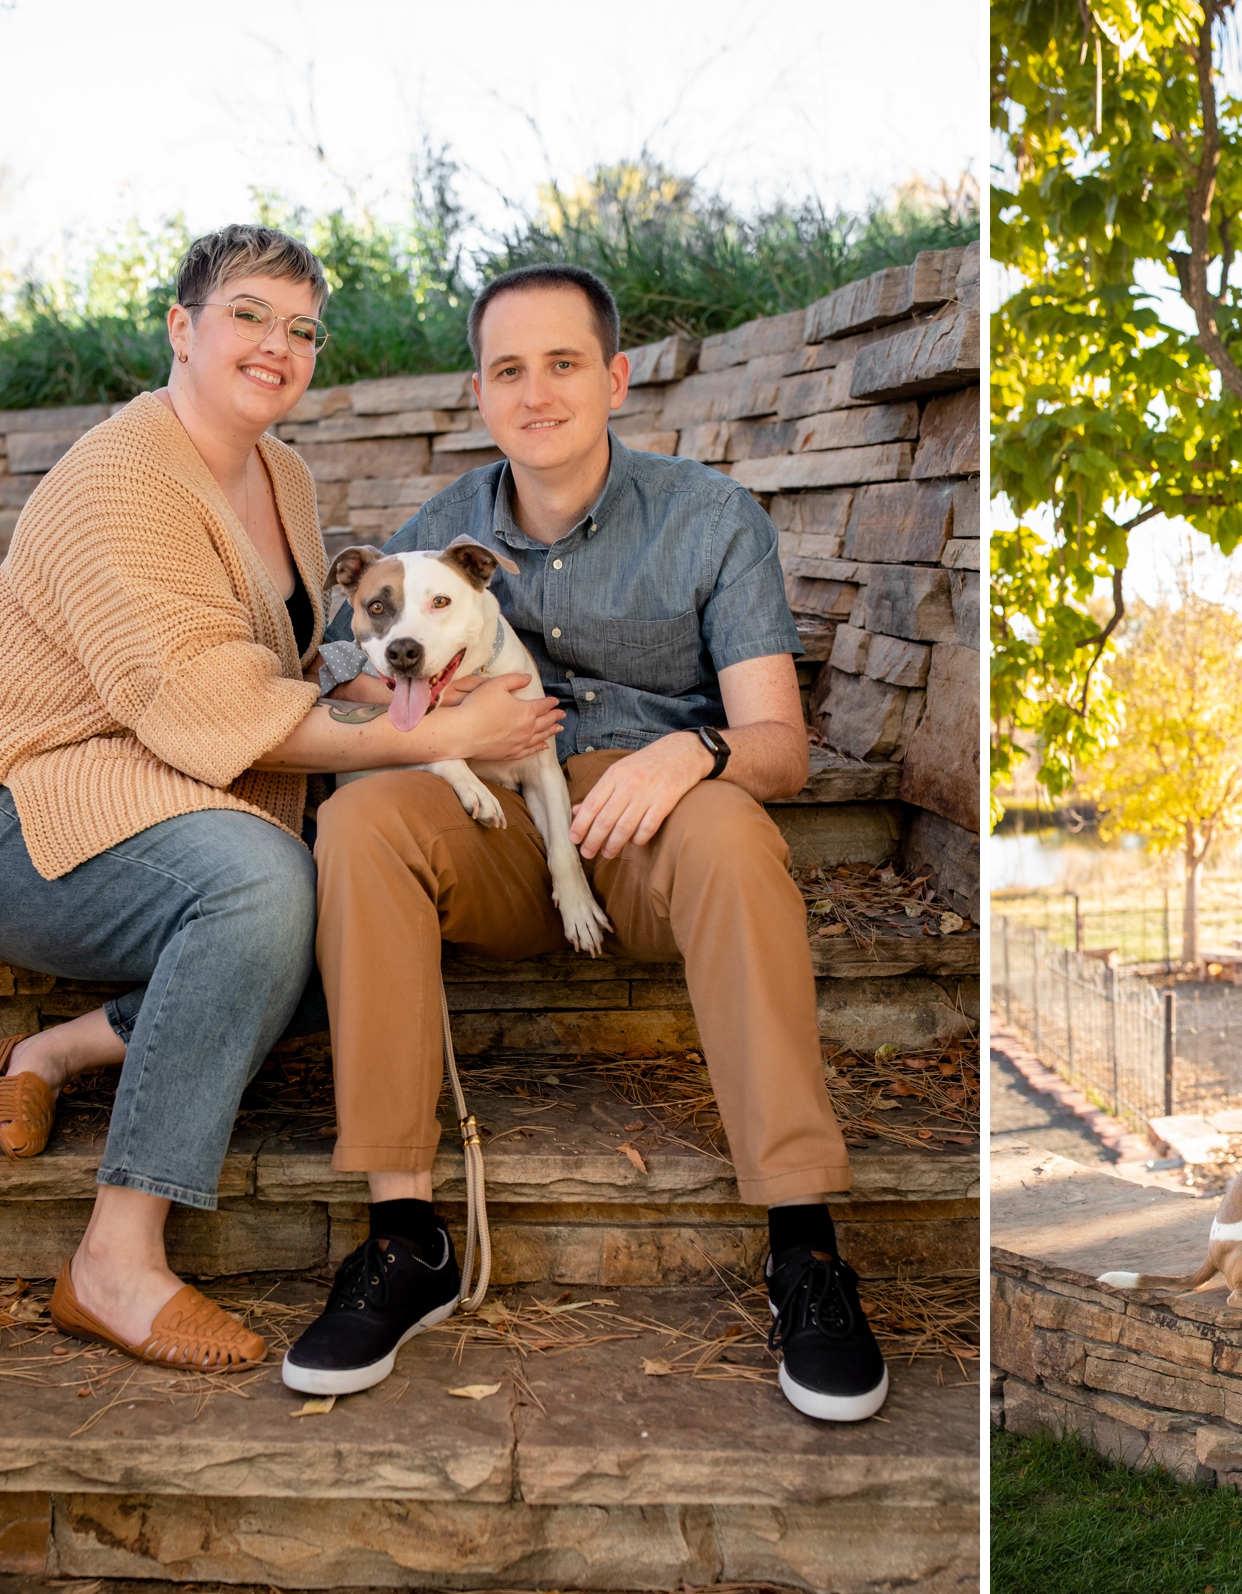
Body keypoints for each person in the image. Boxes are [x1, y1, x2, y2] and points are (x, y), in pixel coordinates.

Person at [0, 224, 560, 1372]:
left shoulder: (283, 472)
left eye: (302, 328)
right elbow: (204, 706)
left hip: (169, 788)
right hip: (29, 806)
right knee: (265, 888)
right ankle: (115, 1259)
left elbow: (284, 672)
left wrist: (417, 707)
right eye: (249, 315)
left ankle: (52, 1053)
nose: (278, 345)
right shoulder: (120, 478)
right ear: (181, 327)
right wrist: (451, 731)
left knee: (365, 899)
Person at [281, 262, 889, 1424]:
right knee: (358, 821)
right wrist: (446, 725)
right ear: (479, 392)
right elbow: (343, 688)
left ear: (614, 376)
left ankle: (803, 1247)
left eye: (564, 363)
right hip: (493, 818)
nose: (538, 391)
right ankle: (404, 1238)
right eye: (509, 369)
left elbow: (779, 743)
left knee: (733, 833)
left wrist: (692, 754)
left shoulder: (711, 520)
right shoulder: (429, 539)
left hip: (650, 813)